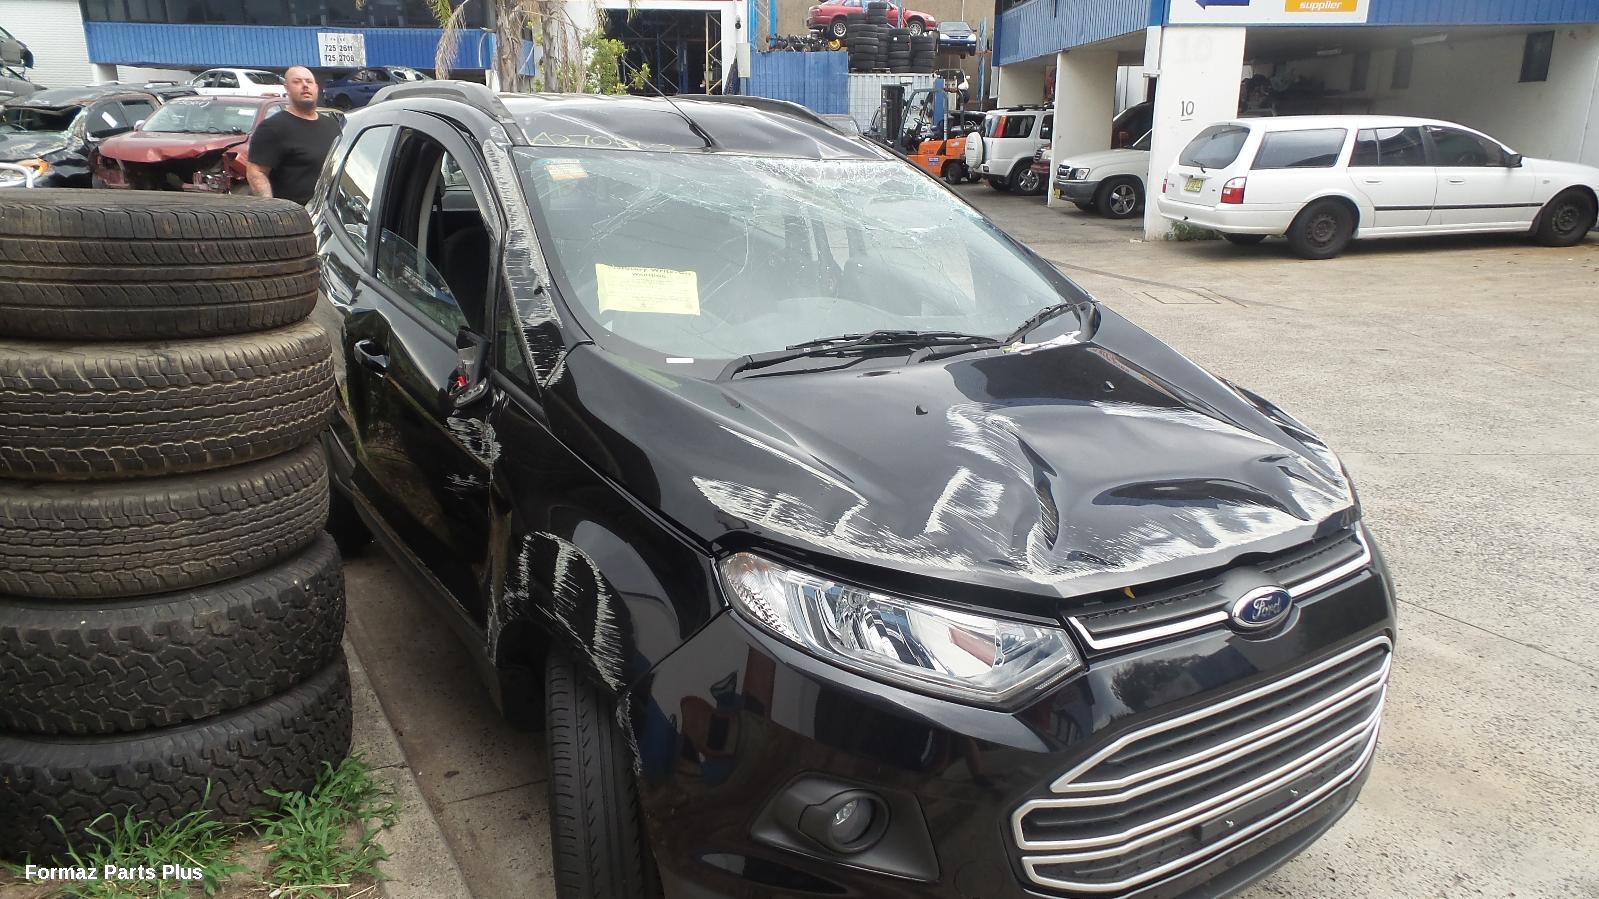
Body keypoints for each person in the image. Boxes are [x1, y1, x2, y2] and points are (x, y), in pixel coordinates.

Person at [246, 66, 342, 204]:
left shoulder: (332, 125)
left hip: (329, 212)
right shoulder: (272, 128)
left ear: (316, 88)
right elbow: (256, 173)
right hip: (293, 213)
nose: (305, 85)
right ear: (287, 88)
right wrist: (272, 209)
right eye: (297, 82)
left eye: (309, 81)